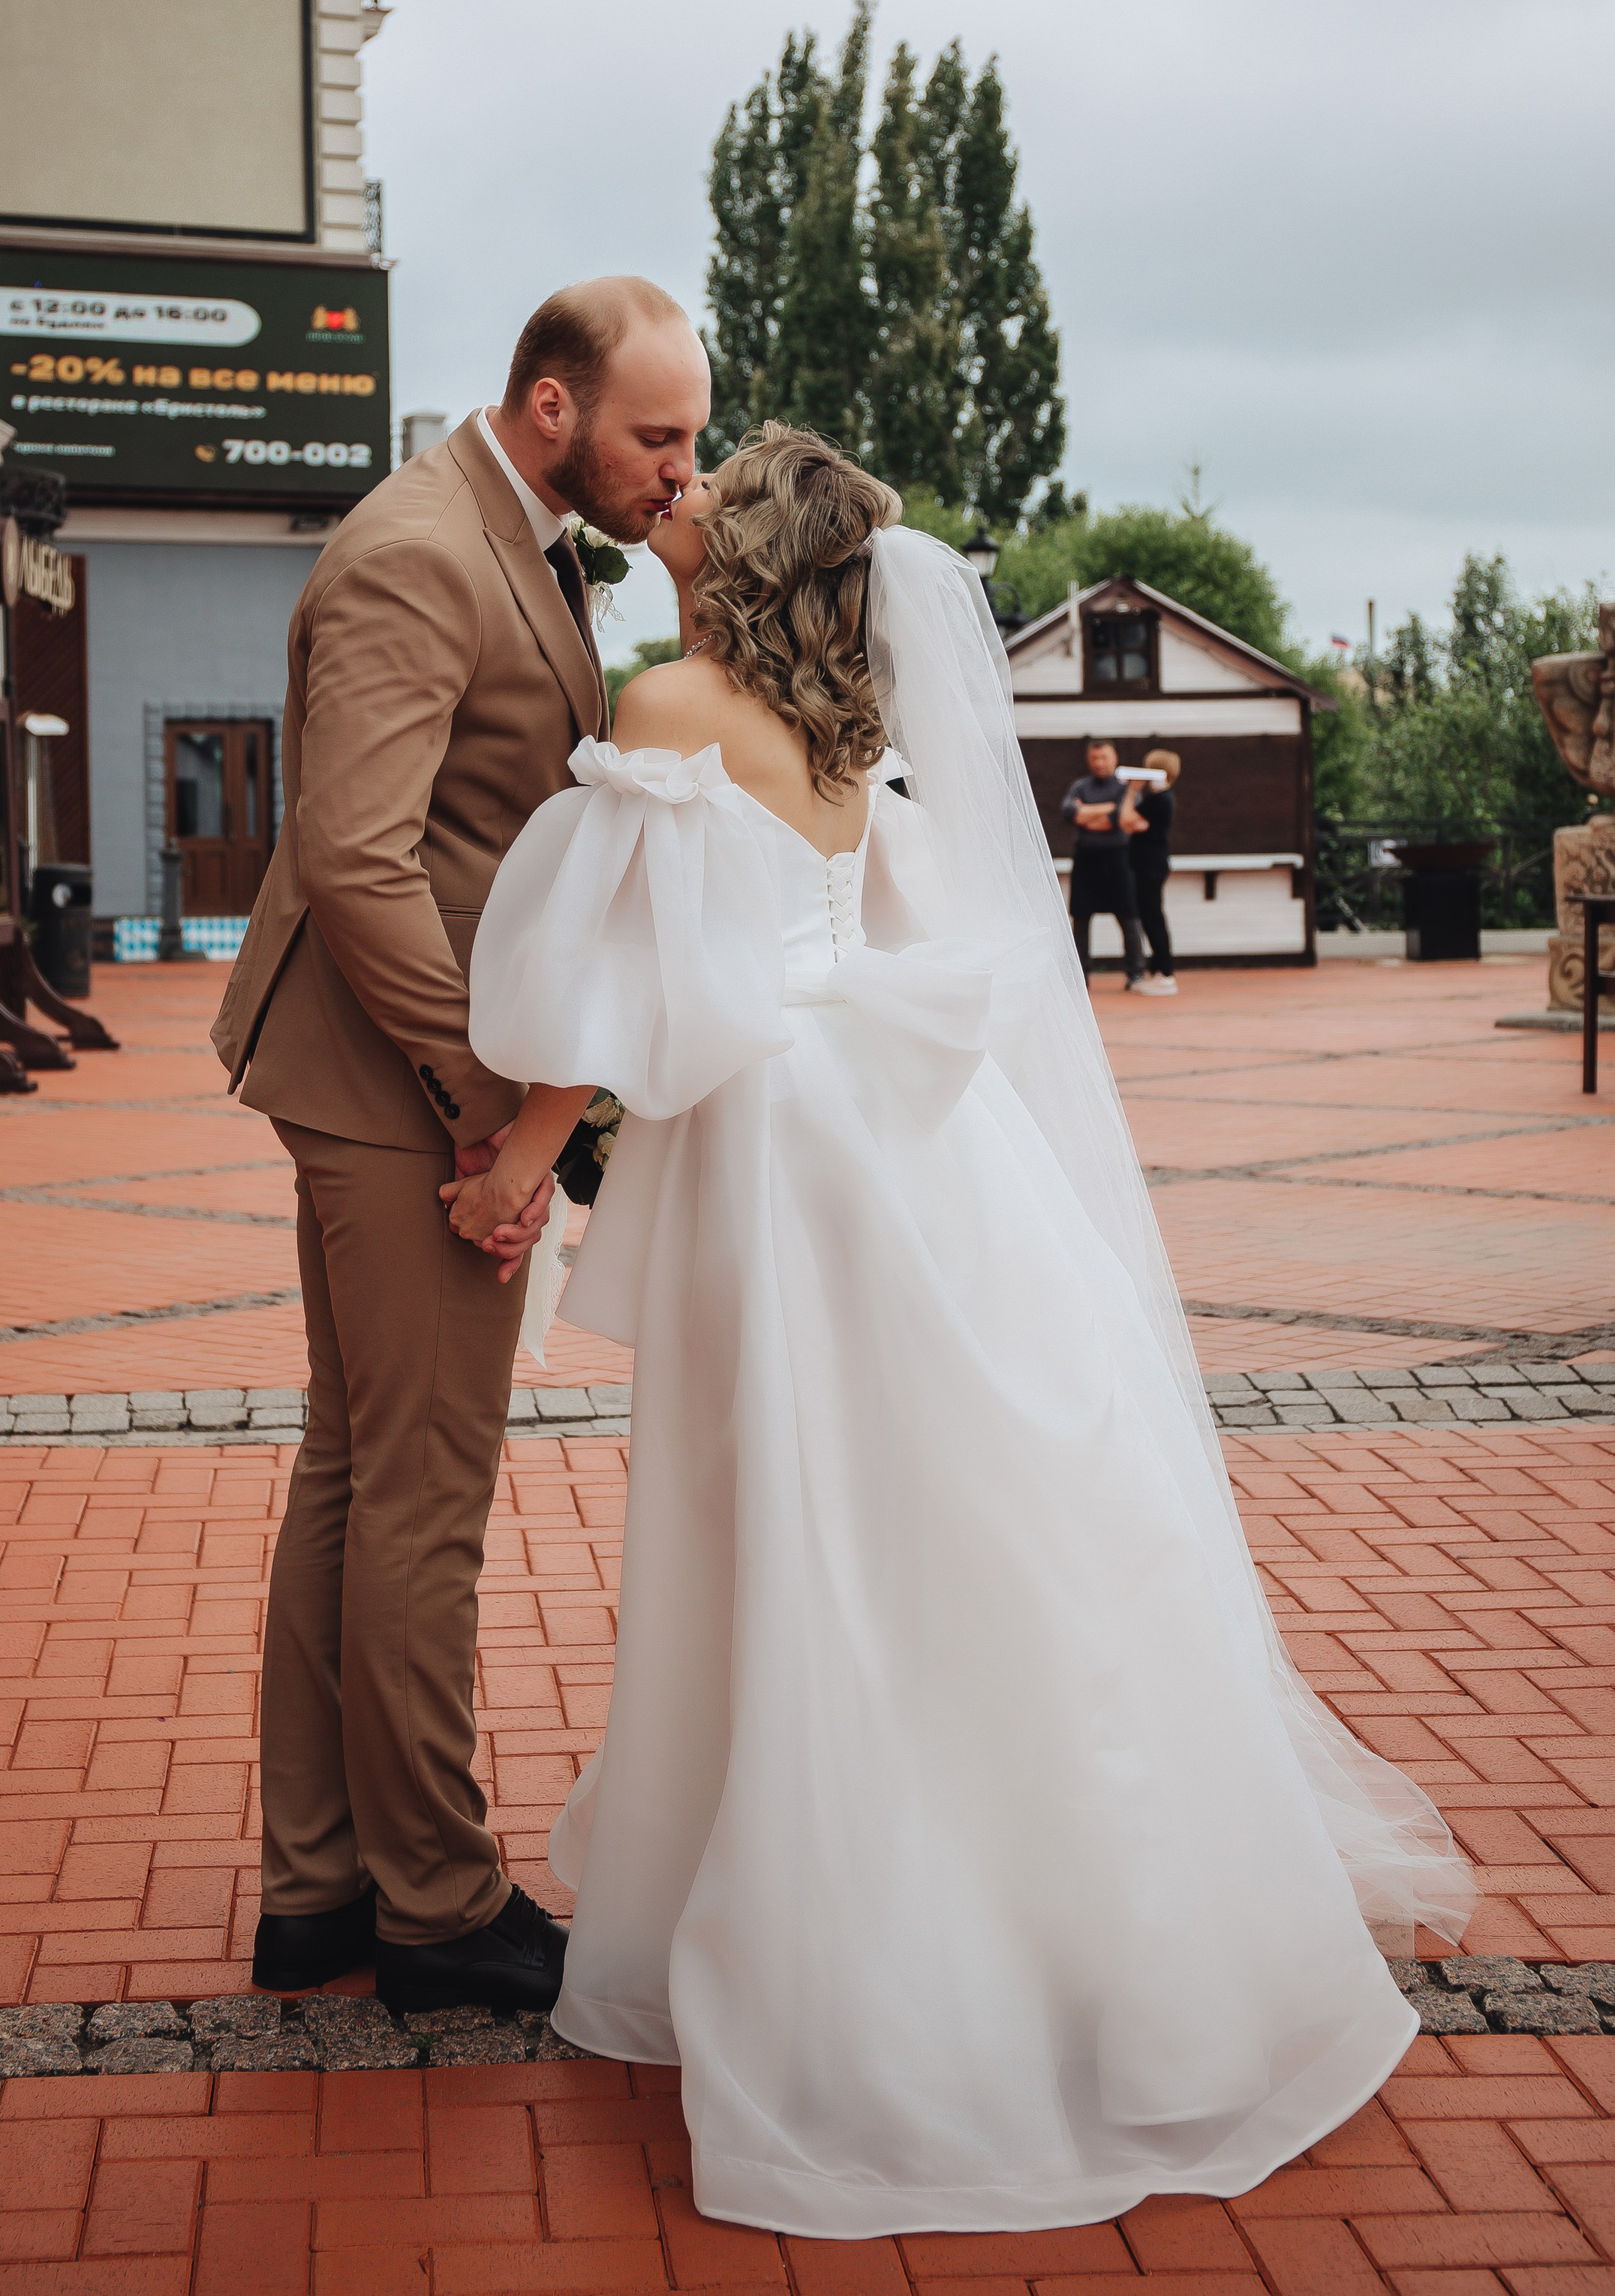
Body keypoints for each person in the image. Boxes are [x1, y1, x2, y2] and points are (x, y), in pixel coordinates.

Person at [447, 425, 1470, 2238]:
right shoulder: (849, 731)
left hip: (783, 1151)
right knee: (948, 1518)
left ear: (745, 559)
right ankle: (1069, 1928)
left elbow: (622, 976)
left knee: (799, 1524)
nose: (670, 496)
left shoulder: (675, 703)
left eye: (700, 491)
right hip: (909, 1140)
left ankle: (873, 1975)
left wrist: (521, 1161)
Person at [212, 275, 709, 2012]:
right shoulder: (418, 549)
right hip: (394, 1089)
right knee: (417, 1494)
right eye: (660, 434)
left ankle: (319, 1885)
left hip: (378, 1069)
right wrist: (488, 1115)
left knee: (354, 1475)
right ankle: (430, 1900)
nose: (681, 470)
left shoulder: (510, 532)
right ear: (552, 407)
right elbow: (353, 861)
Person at [1061, 737, 1147, 988]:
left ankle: (1136, 974)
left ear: (1115, 758)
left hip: (1119, 860)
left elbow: (1120, 819)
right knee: (1081, 919)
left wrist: (1087, 813)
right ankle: (1080, 976)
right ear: (1089, 760)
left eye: (1104, 757)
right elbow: (1069, 812)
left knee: (1130, 917)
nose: (1099, 763)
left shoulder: (1126, 788)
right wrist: (1107, 810)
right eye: (1094, 758)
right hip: (1086, 861)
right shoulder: (1080, 786)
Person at [1128, 746, 1181, 994]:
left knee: (1153, 916)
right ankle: (1159, 969)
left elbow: (1127, 820)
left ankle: (1165, 971)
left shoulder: (1160, 800)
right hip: (1148, 862)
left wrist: (1131, 791)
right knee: (1150, 916)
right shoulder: (1158, 799)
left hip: (1151, 864)